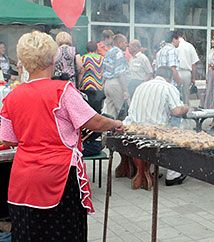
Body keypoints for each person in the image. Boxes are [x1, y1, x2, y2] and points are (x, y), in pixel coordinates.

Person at [0, 31, 123, 242]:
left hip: (23, 179)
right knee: (63, 234)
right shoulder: (62, 90)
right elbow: (92, 121)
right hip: (58, 176)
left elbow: (8, 139)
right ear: (52, 58)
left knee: (28, 234)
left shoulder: (13, 96)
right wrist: (115, 124)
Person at [125, 66, 189, 187]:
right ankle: (173, 175)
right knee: (178, 135)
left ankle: (153, 169)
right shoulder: (168, 87)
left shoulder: (141, 86)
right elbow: (176, 111)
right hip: (156, 131)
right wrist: (186, 107)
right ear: (169, 78)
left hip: (135, 128)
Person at [103, 33, 130, 119]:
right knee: (123, 111)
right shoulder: (119, 53)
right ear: (120, 43)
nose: (127, 45)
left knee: (110, 113)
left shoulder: (108, 52)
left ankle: (109, 131)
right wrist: (125, 90)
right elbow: (120, 73)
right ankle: (124, 131)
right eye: (125, 42)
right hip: (116, 83)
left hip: (107, 84)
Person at [176, 31, 200, 105]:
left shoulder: (173, 46)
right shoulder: (189, 46)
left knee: (176, 94)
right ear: (183, 36)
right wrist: (193, 78)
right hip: (186, 73)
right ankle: (185, 111)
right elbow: (194, 63)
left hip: (176, 72)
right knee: (186, 95)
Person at [202, 39, 214, 109]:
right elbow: (208, 63)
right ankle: (208, 105)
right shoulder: (211, 50)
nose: (212, 42)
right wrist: (207, 75)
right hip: (210, 71)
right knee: (209, 89)